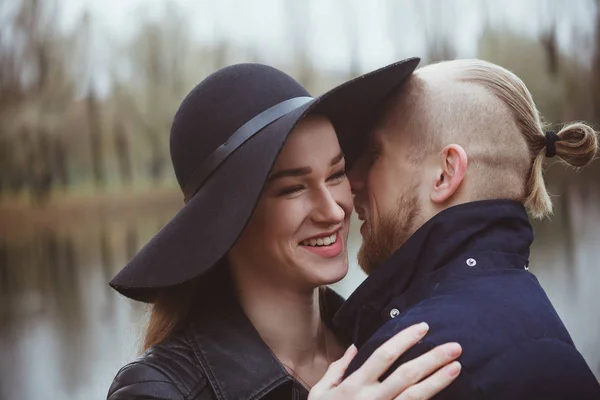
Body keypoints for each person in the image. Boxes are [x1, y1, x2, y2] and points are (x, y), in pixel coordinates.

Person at [106, 60, 463, 400]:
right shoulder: (158, 389)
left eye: (336, 174)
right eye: (293, 188)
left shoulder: (387, 345)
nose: (333, 209)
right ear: (228, 220)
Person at [334, 58, 600, 399]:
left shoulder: (411, 366)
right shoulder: (530, 315)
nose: (353, 181)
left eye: (374, 155)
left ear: (445, 173)